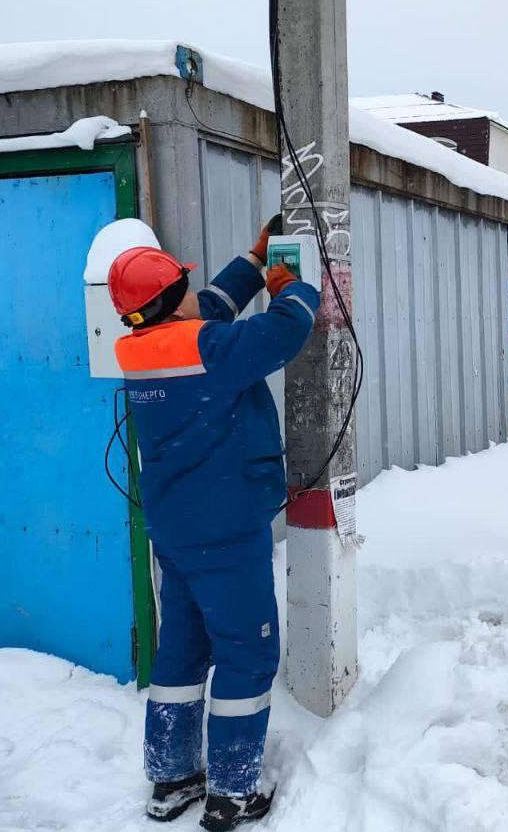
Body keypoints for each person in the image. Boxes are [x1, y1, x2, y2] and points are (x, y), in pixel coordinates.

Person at [107, 222, 320, 831]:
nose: (190, 293)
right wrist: (288, 287)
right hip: (226, 532)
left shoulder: (143, 348)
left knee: (181, 651)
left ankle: (172, 778)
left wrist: (254, 261)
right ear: (169, 299)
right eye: (180, 285)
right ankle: (231, 792)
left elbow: (207, 312)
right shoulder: (209, 351)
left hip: (177, 532)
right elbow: (283, 332)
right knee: (246, 656)